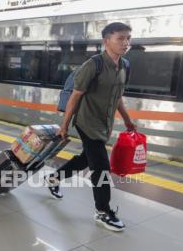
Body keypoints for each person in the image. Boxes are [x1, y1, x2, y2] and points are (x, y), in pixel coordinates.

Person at [44, 22, 136, 232]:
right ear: (106, 41)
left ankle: (54, 177)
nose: (126, 42)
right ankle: (103, 211)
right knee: (101, 167)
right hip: (87, 122)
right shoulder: (93, 65)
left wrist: (128, 120)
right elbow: (75, 96)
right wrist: (64, 125)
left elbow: (118, 97)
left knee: (86, 158)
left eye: (128, 38)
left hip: (105, 124)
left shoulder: (125, 66)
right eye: (120, 38)